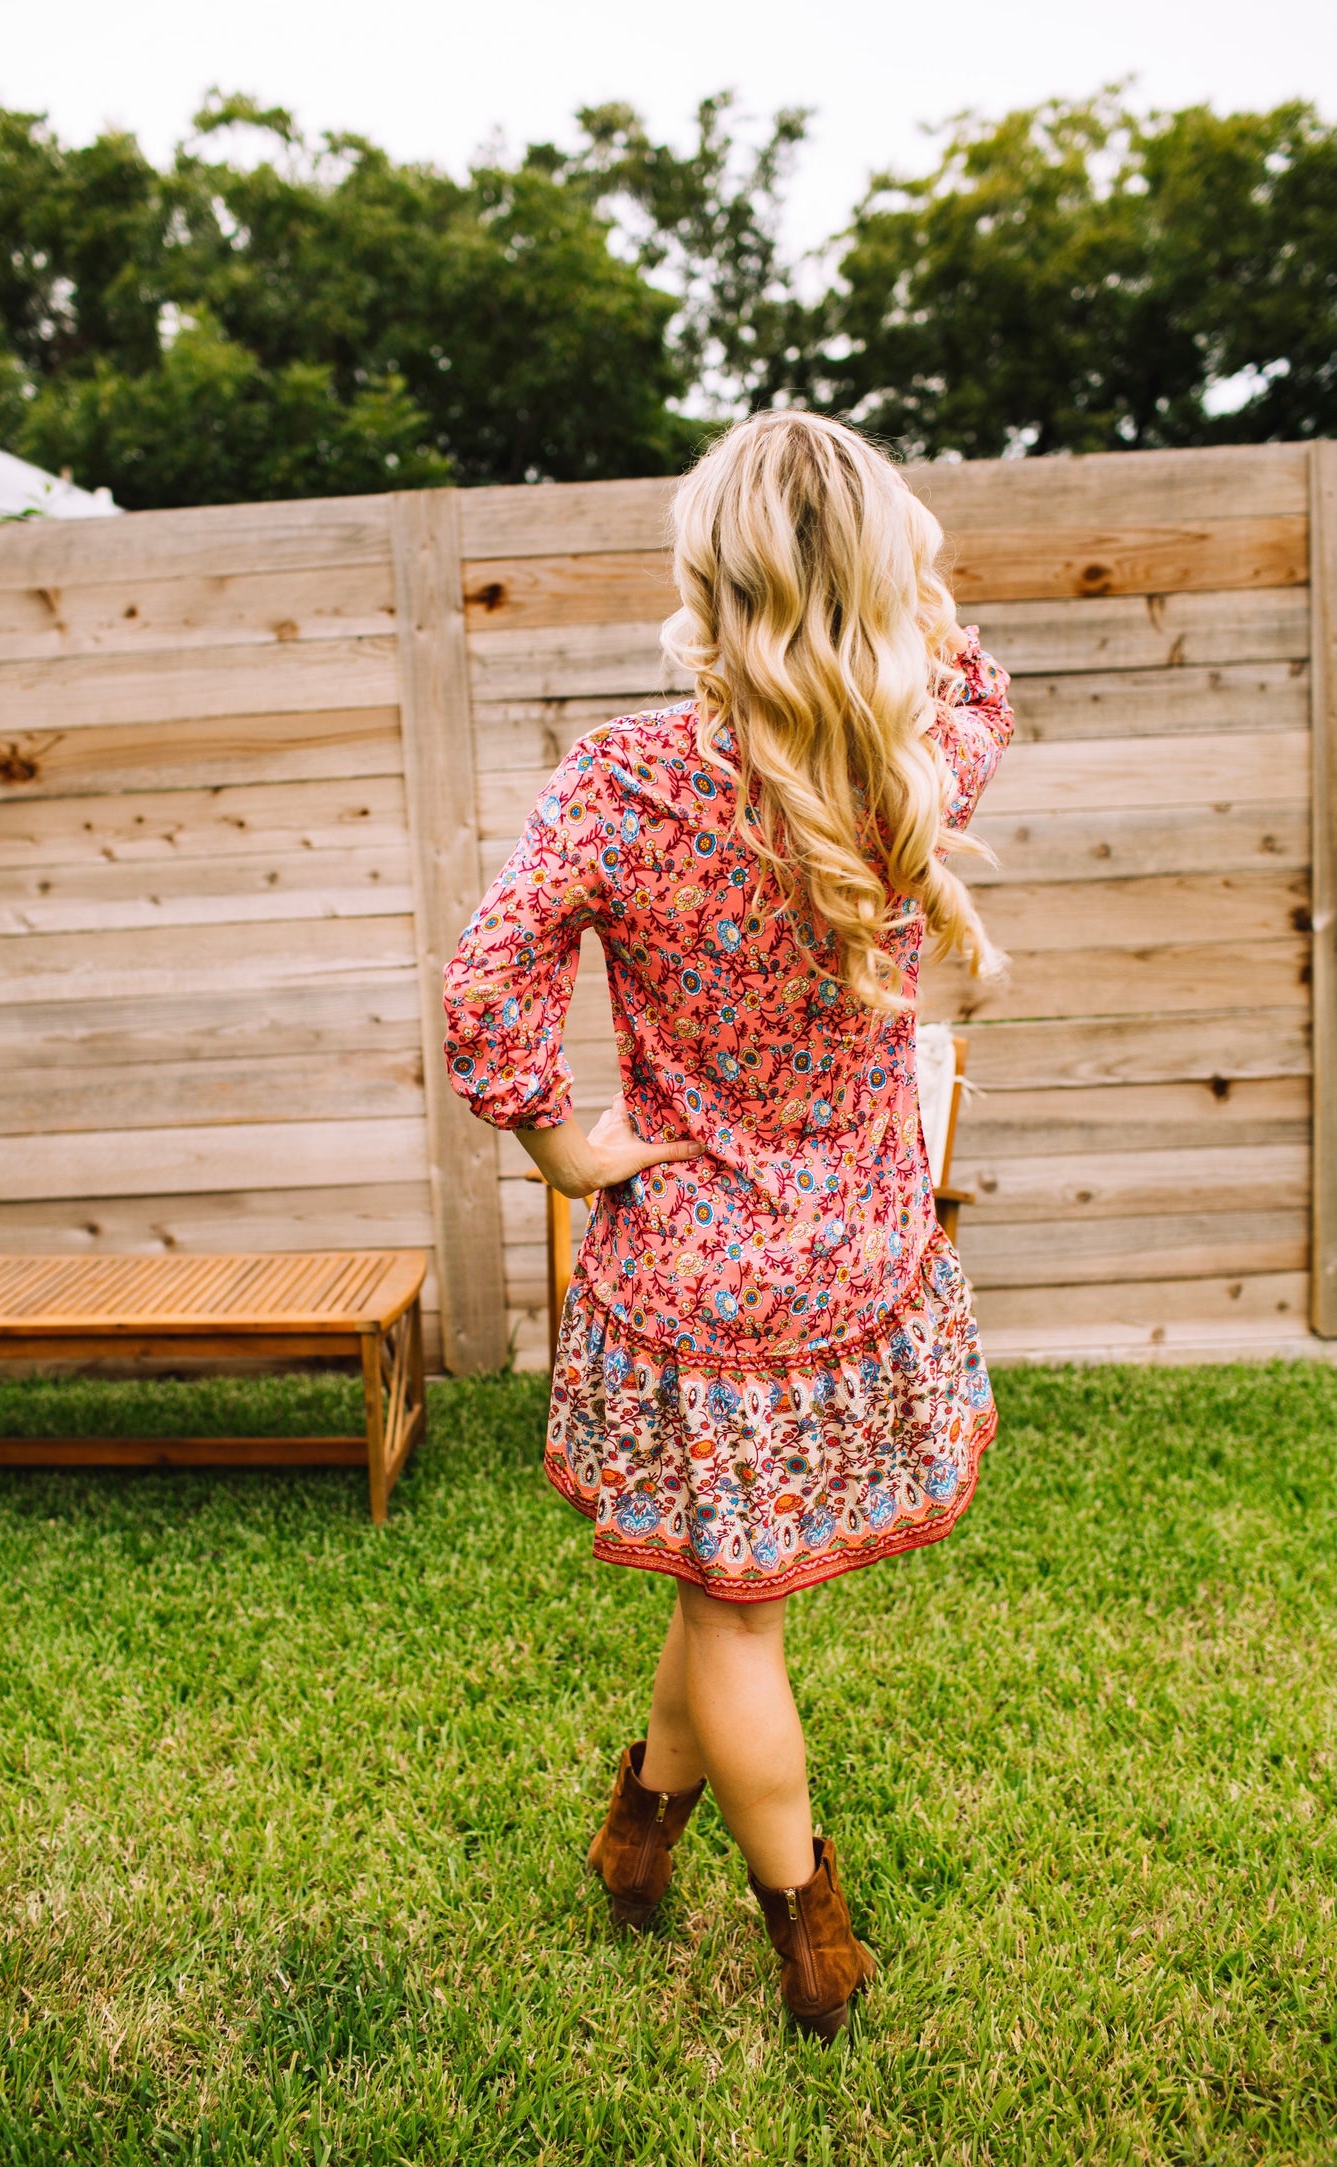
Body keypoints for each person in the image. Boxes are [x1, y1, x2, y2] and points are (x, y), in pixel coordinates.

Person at [443, 411, 1014, 2041]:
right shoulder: (920, 755)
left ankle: (807, 1938)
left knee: (730, 1603)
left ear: (708, 581)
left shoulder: (625, 779)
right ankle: (636, 1841)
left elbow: (488, 977)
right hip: (855, 1255)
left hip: (689, 1268)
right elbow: (969, 673)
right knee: (722, 1584)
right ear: (884, 576)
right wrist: (895, 586)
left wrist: (558, 1140)